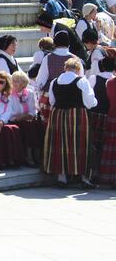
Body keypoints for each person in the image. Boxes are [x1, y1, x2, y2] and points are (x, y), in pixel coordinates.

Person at [45, 58, 97, 188]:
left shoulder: (54, 82)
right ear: (78, 69)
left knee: (59, 143)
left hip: (58, 115)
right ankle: (84, 178)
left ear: (65, 68)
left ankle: (62, 178)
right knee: (80, 144)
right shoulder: (82, 81)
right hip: (77, 115)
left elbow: (52, 101)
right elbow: (90, 103)